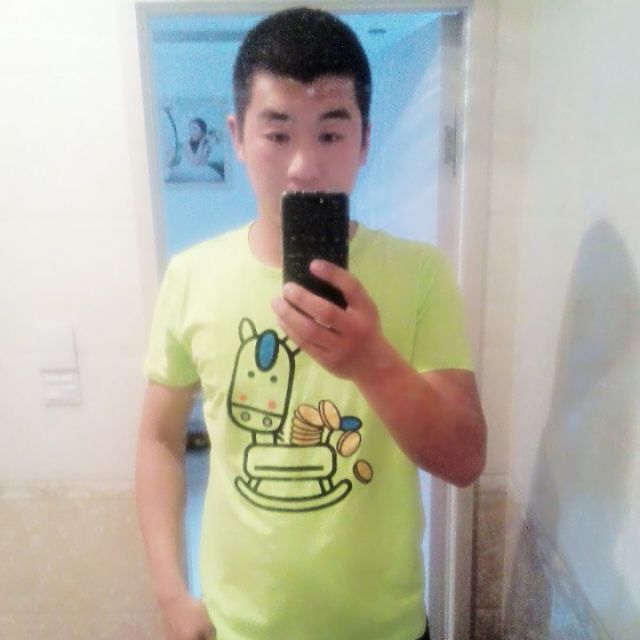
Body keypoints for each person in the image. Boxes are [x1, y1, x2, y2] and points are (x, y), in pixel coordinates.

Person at [136, 7, 487, 640]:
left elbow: (464, 460)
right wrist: (170, 594)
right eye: (277, 134)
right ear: (237, 136)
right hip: (242, 627)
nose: (303, 166)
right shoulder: (190, 276)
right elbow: (159, 440)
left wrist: (371, 361)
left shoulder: (420, 273)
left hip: (385, 629)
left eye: (330, 133)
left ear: (364, 140)